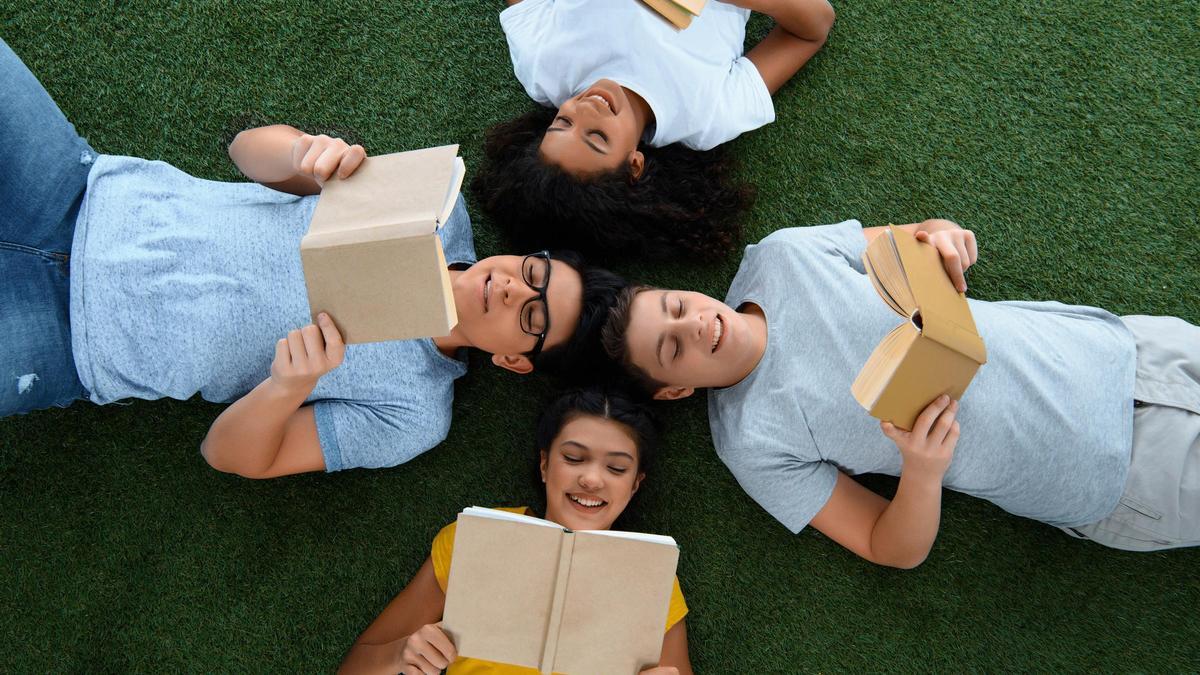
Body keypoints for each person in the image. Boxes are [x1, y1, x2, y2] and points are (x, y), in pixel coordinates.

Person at [0, 38, 624, 478]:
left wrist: (287, 386)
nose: (514, 289)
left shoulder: (413, 412)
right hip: (79, 188)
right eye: (533, 273)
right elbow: (245, 150)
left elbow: (229, 456)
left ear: (514, 360)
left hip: (67, 344)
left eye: (532, 317)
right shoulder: (438, 210)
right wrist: (303, 154)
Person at [601, 218, 1200, 565]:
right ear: (675, 391)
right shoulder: (750, 441)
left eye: (676, 306)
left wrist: (943, 238)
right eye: (672, 348)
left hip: (1123, 349)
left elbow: (916, 237)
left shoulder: (781, 256)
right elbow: (888, 547)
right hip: (1114, 474)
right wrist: (922, 469)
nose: (694, 324)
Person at [339, 387, 692, 675]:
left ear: (635, 484)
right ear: (544, 464)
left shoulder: (649, 574)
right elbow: (355, 666)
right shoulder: (475, 539)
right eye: (573, 458)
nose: (592, 479)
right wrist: (402, 653)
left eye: (616, 468)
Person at [471, 0, 836, 262]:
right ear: (634, 165)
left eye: (562, 123)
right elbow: (813, 28)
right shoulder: (707, 116)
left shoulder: (544, 67)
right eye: (597, 137)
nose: (585, 109)